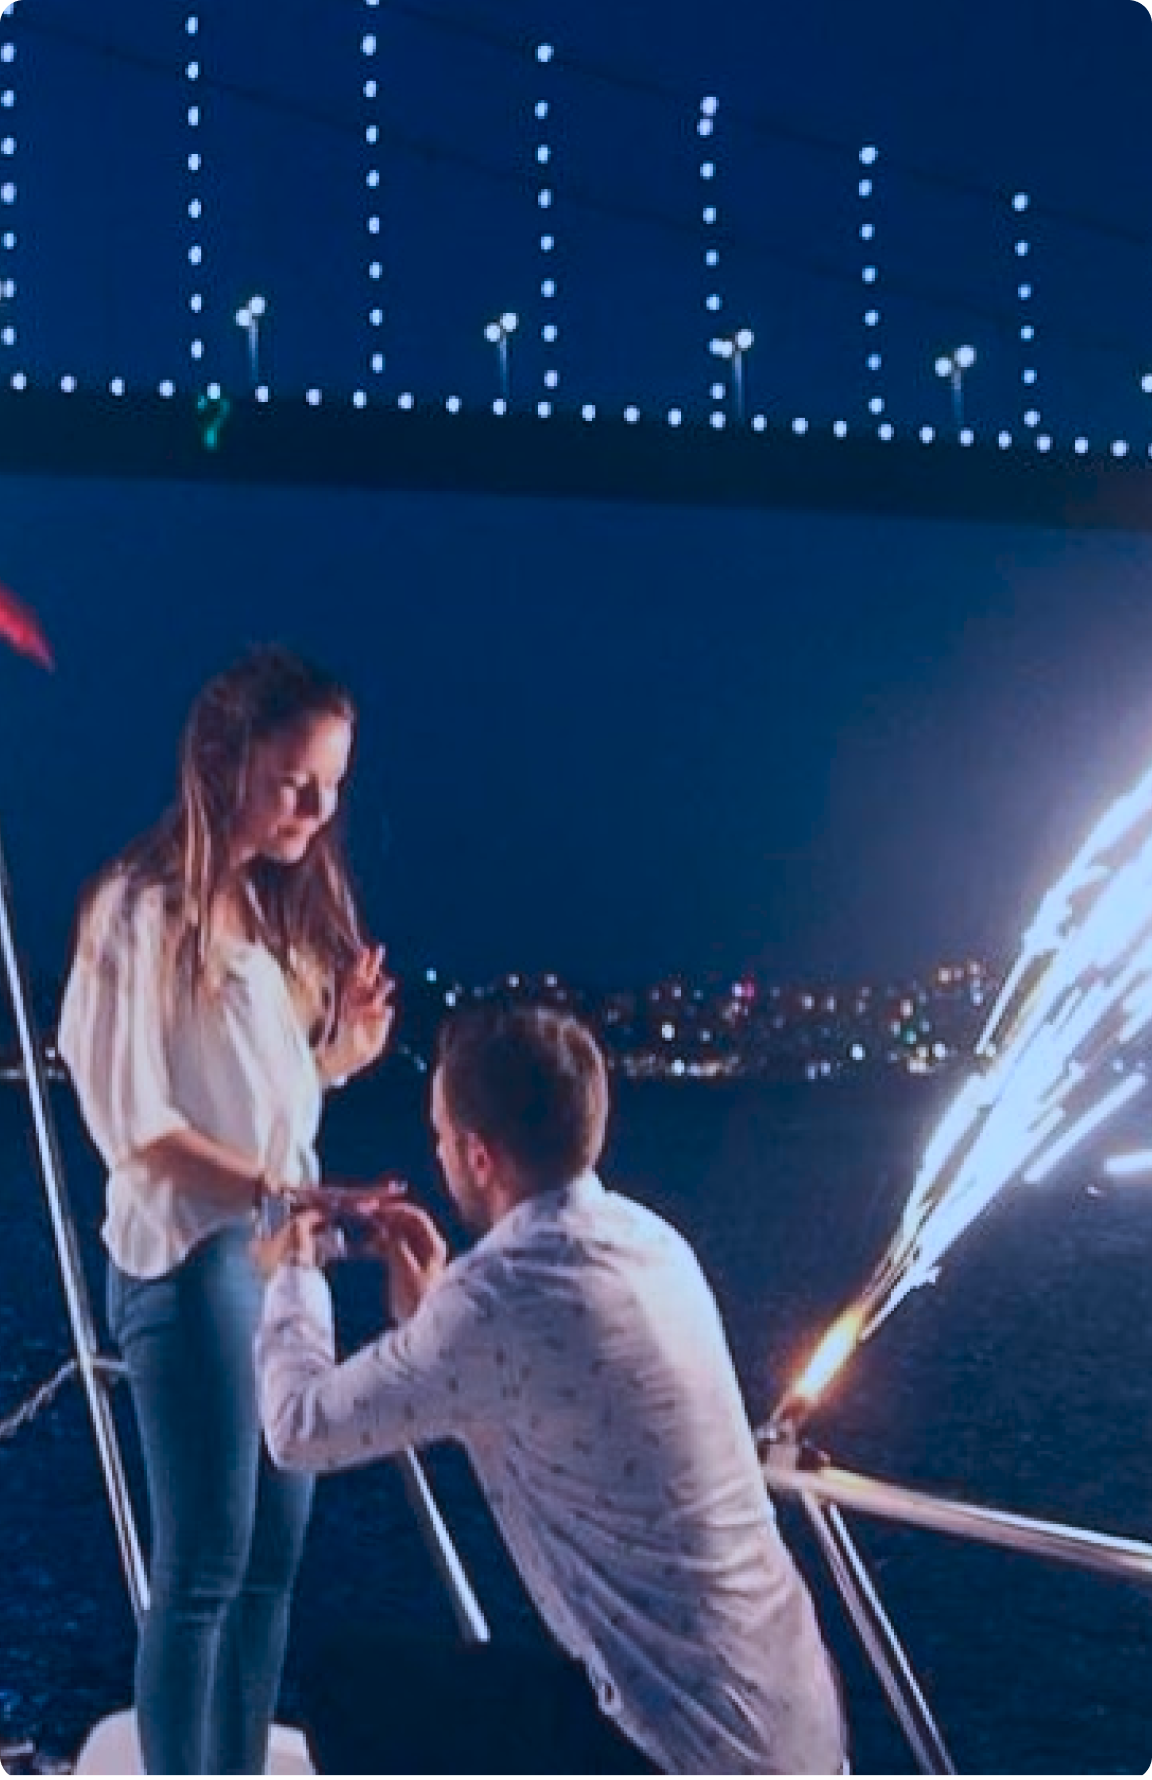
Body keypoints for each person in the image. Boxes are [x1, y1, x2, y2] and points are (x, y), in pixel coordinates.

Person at [254, 1004, 848, 1777]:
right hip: (799, 1733)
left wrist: (292, 1276)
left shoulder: (495, 1298)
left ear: (478, 1155)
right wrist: (436, 1300)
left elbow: (297, 1428)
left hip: (680, 1753)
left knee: (343, 1686)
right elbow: (527, 1367)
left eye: (439, 1135)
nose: (435, 1152)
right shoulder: (654, 1243)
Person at [58, 644, 396, 1778]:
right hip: (193, 1260)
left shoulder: (262, 917)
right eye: (299, 778)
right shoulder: (137, 910)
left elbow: (252, 1105)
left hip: (276, 1255)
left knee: (271, 1566)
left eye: (334, 785)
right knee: (204, 1565)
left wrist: (334, 1056)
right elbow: (140, 1122)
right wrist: (281, 1190)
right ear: (225, 758)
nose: (319, 805)